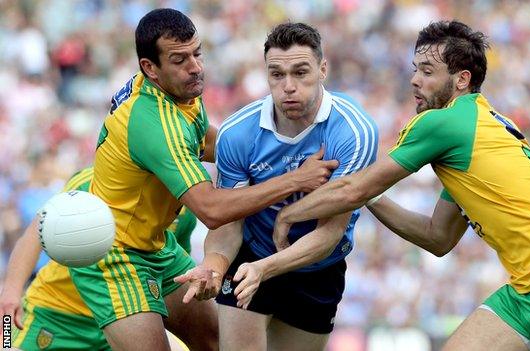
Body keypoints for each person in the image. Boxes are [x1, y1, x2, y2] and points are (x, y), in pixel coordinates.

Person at [272, 20, 530, 350]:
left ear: (460, 80)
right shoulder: (472, 133)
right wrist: (372, 197)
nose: (414, 80)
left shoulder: (444, 123)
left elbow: (352, 190)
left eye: (427, 72)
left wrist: (290, 213)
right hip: (526, 290)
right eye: (415, 70)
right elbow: (437, 237)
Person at [66, 9, 337, 351]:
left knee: (217, 343)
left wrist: (269, 154)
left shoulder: (177, 92)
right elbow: (211, 209)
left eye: (197, 53)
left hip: (155, 245)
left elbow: (209, 143)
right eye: (180, 59)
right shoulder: (154, 123)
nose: (195, 67)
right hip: (115, 255)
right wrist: (295, 178)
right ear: (150, 68)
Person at [175, 22, 378, 351]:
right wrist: (213, 266)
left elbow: (330, 232)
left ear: (323, 69)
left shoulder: (353, 131)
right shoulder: (238, 132)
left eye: (300, 72)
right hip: (251, 255)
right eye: (277, 74)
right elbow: (230, 221)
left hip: (317, 267)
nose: (288, 87)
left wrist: (264, 269)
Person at [0, 167, 196, 350]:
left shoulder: (183, 208)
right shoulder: (89, 183)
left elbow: (172, 277)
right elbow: (34, 235)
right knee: (6, 344)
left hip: (121, 319)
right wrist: (10, 292)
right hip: (54, 313)